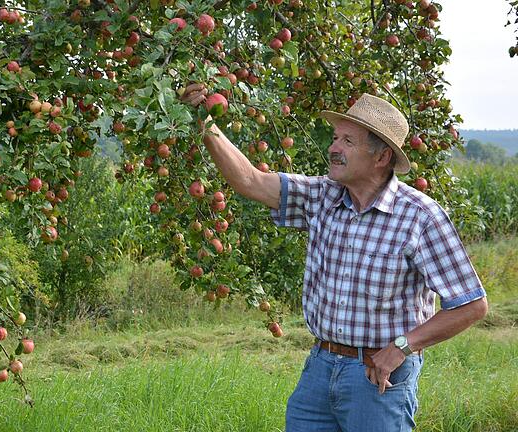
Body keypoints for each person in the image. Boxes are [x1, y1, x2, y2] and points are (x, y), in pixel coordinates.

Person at [181, 85, 489, 432]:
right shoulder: (321, 197)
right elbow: (250, 180)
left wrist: (403, 346)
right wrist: (205, 121)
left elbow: (471, 305)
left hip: (378, 375)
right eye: (335, 137)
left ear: (381, 157)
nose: (333, 148)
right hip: (321, 367)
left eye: (347, 141)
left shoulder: (419, 217)